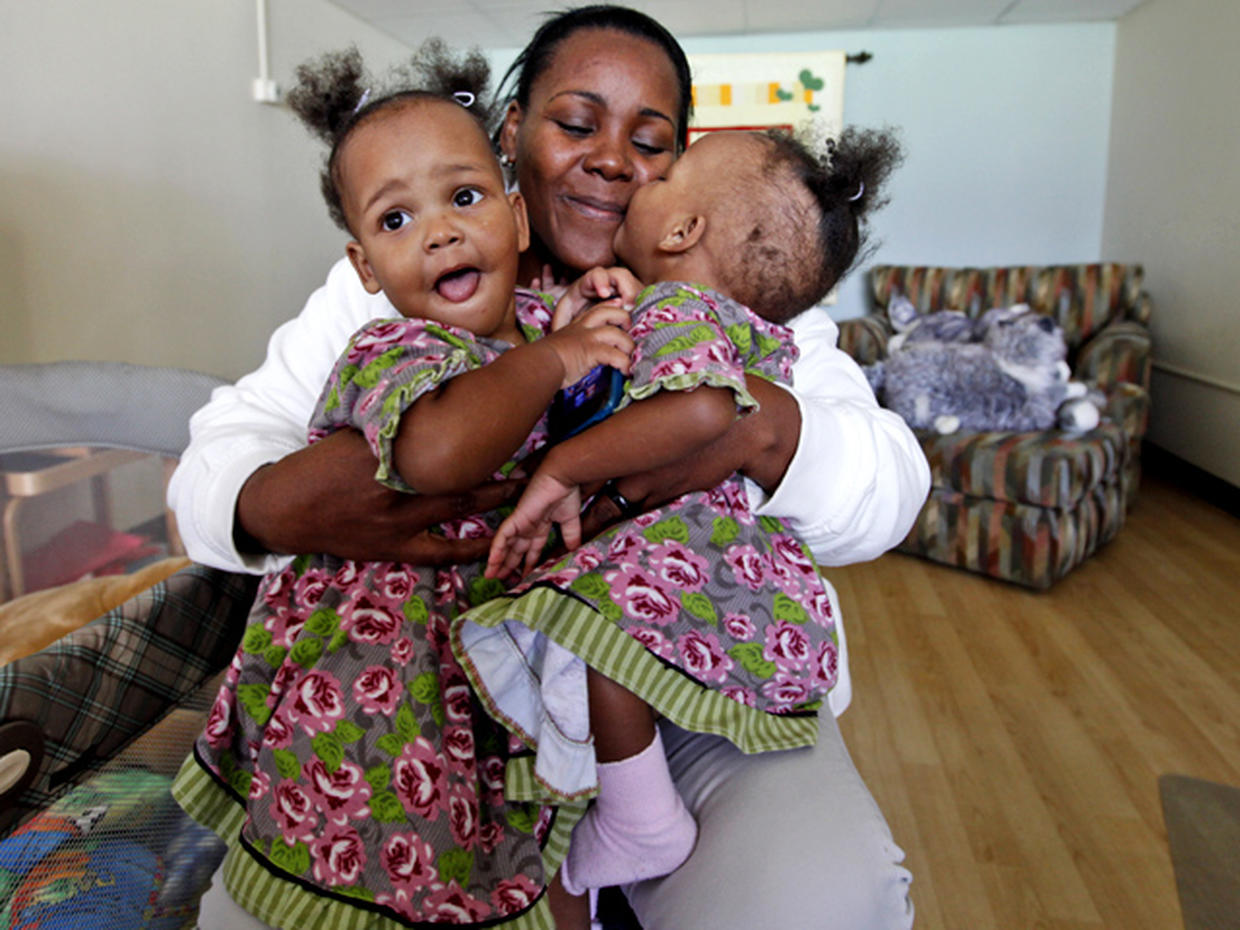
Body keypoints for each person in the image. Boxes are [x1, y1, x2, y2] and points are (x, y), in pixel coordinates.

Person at [170, 6, 928, 928]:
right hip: (422, 677)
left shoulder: (728, 283)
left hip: (664, 685)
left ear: (681, 186)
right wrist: (285, 504)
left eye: (651, 144)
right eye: (576, 124)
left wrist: (759, 430)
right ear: (510, 139)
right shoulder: (419, 270)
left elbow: (893, 486)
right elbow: (216, 459)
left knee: (822, 895)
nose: (612, 159)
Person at [456, 125, 902, 902]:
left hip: (674, 555)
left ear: (681, 229)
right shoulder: (710, 317)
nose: (628, 173)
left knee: (584, 620)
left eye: (663, 165)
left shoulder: (679, 311)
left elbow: (701, 410)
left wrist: (564, 467)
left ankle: (635, 812)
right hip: (719, 569)